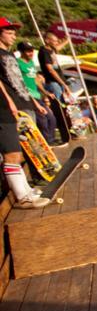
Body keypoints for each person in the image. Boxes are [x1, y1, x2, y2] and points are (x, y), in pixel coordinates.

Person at [0, 18, 51, 208]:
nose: (14, 35)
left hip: (19, 104)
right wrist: (10, 102)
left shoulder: (9, 54)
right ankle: (22, 198)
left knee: (19, 151)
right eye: (9, 32)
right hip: (4, 108)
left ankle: (26, 190)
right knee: (11, 153)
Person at [16, 41, 58, 145]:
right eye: (28, 51)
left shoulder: (31, 63)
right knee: (42, 120)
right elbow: (19, 83)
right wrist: (32, 98)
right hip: (28, 97)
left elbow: (35, 79)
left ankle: (51, 140)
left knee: (51, 118)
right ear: (21, 51)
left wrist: (45, 92)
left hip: (37, 95)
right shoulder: (18, 63)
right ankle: (46, 142)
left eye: (32, 51)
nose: (31, 53)